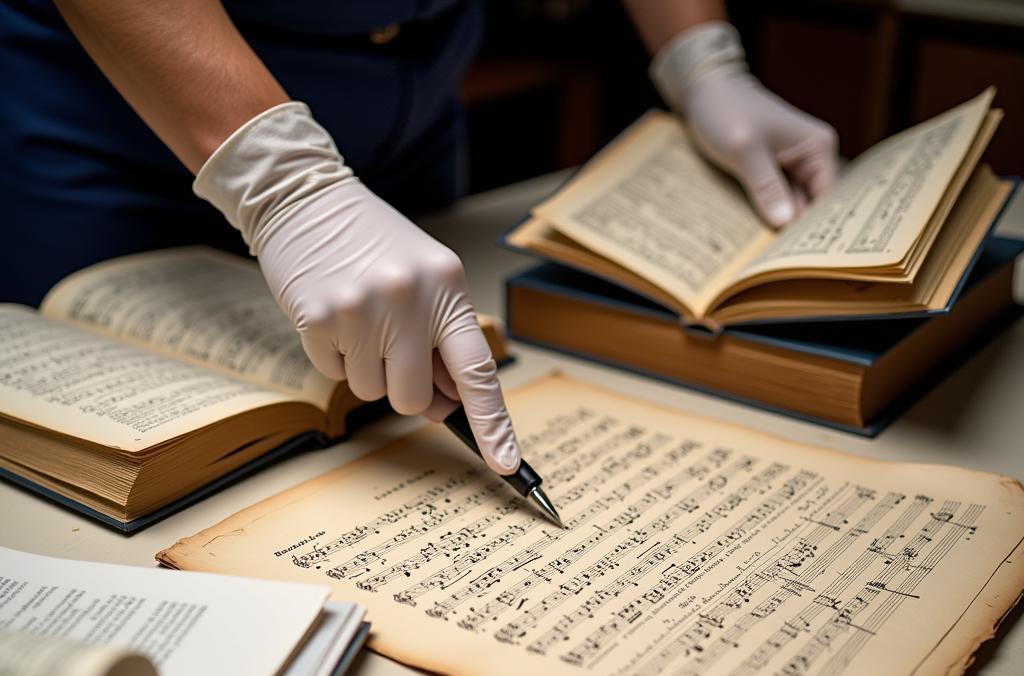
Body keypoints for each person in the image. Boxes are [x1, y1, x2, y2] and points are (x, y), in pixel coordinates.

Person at [0, 0, 837, 473]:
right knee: (128, 462)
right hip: (118, 114)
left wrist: (699, 55)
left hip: (415, 85)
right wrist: (283, 176)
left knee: (398, 369)